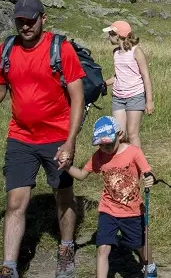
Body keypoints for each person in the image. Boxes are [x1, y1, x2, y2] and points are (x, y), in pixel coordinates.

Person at [0, 0, 86, 278]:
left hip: (57, 137)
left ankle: (66, 247)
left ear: (43, 18)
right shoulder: (6, 49)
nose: (25, 26)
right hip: (20, 137)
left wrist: (70, 141)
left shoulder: (61, 49)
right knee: (15, 202)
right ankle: (9, 267)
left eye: (30, 20)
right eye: (20, 20)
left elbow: (77, 98)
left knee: (63, 194)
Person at [67, 116, 157, 278]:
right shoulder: (98, 156)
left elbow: (147, 172)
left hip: (132, 211)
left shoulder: (134, 152)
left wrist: (149, 178)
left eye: (109, 143)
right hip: (108, 210)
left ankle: (149, 264)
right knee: (103, 248)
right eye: (101, 145)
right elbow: (81, 175)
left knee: (140, 245)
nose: (105, 148)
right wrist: (67, 167)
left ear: (120, 134)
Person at [102, 20, 155, 151]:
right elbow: (118, 76)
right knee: (119, 134)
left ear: (117, 35)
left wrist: (149, 101)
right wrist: (102, 84)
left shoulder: (136, 51)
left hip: (135, 97)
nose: (108, 37)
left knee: (132, 134)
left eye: (110, 34)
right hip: (118, 98)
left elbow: (146, 76)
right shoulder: (115, 52)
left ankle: (140, 167)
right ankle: (122, 165)